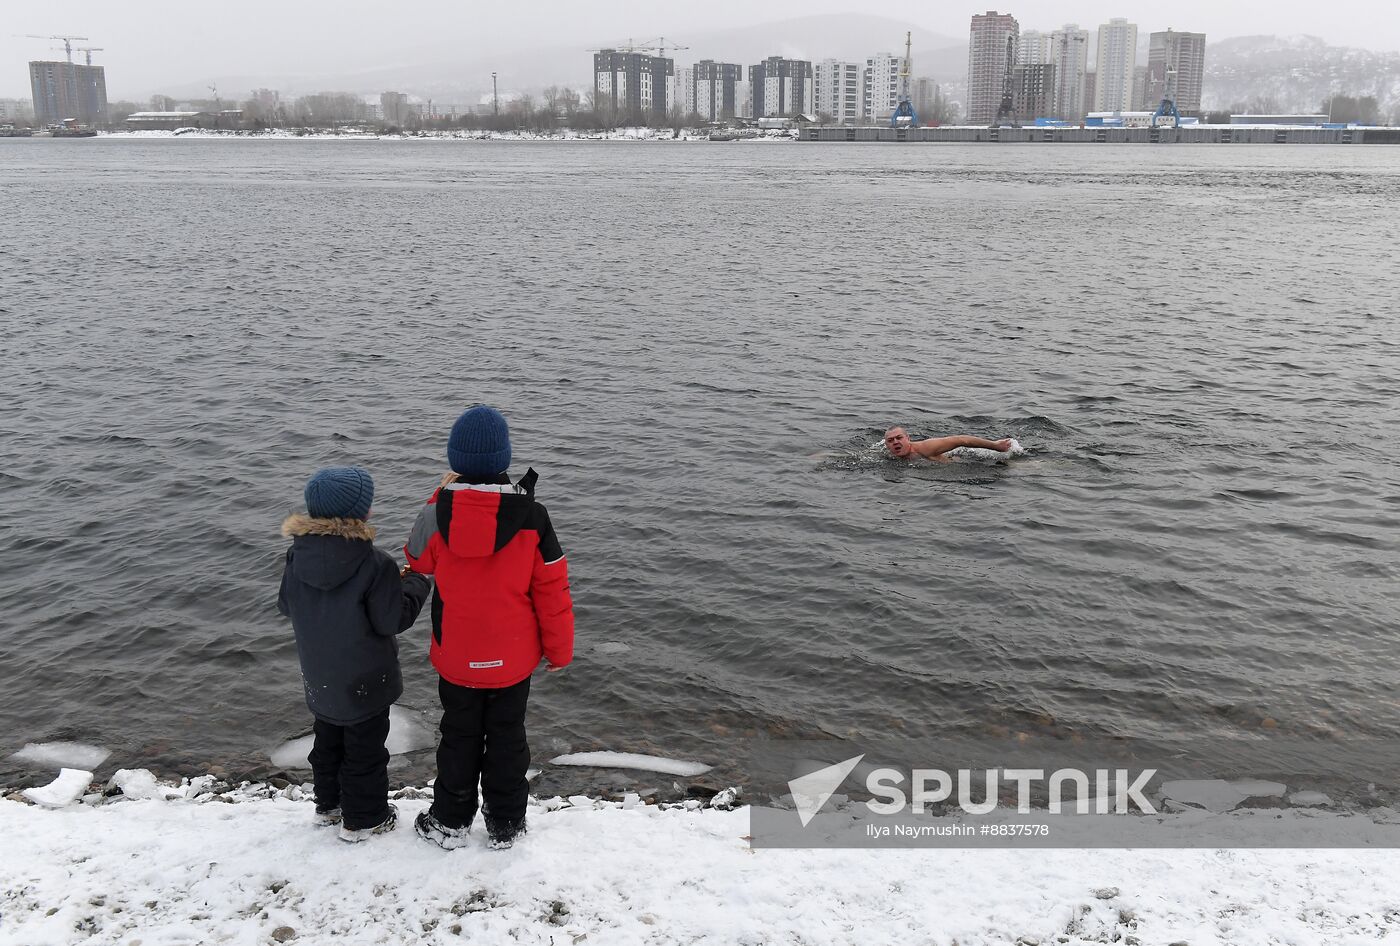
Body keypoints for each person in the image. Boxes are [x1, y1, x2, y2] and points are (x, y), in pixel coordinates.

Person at [404, 405, 575, 850]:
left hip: (457, 656)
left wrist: (435, 498)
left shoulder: (439, 513)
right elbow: (552, 592)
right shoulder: (533, 517)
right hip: (513, 658)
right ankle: (504, 824)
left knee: (458, 737)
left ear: (454, 459)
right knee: (508, 738)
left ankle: (450, 821)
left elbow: (416, 558)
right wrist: (559, 652)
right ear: (505, 459)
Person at [278, 465, 432, 843]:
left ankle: (328, 807)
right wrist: (414, 582)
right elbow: (391, 619)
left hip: (320, 677)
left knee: (327, 742)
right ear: (361, 514)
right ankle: (364, 820)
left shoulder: (297, 557)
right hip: (366, 680)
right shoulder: (373, 562)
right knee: (365, 751)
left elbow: (286, 604)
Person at [883, 426, 1015, 461]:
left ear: (908, 438)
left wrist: (995, 446)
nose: (895, 442)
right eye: (890, 440)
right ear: (886, 445)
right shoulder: (885, 455)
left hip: (967, 462)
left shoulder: (925, 448)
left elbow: (960, 440)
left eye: (899, 438)